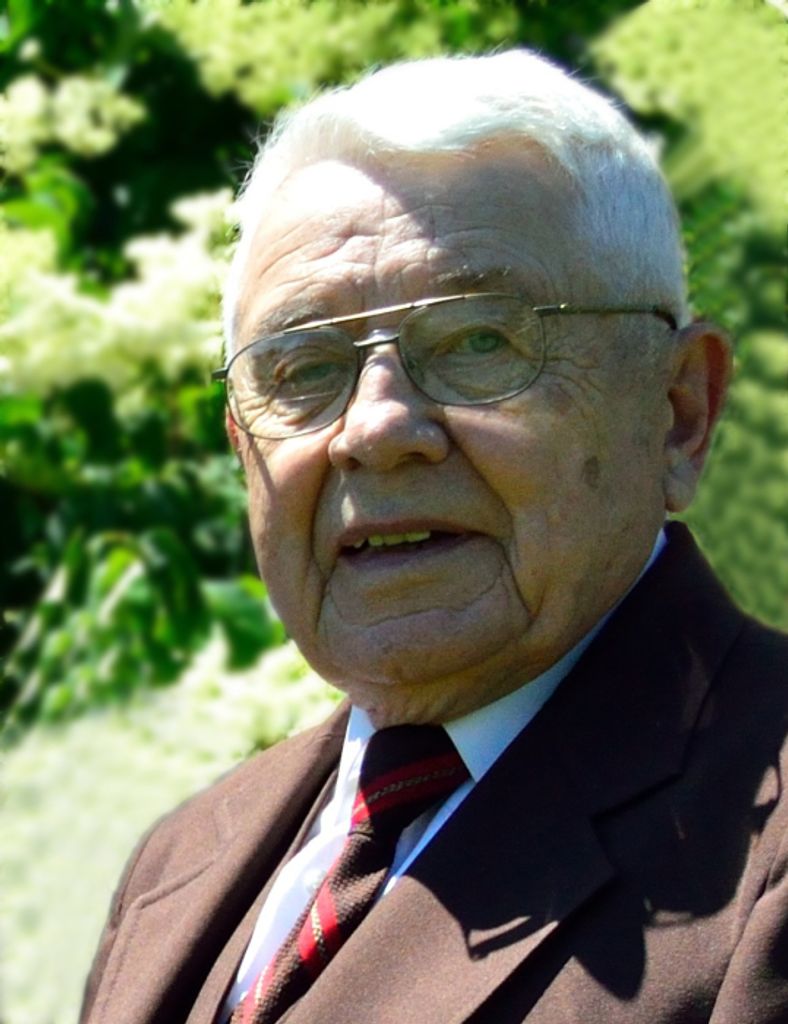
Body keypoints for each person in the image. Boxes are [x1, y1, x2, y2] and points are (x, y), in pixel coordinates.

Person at [80, 50, 788, 1024]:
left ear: (677, 413)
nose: (373, 429)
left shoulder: (763, 852)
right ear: (242, 445)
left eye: (476, 341)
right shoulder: (184, 863)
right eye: (303, 369)